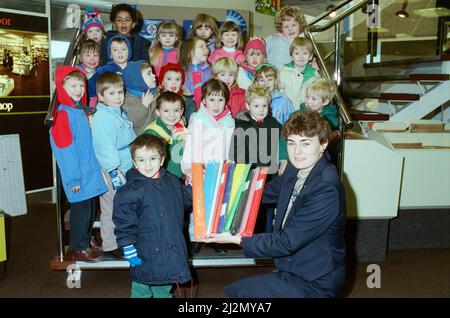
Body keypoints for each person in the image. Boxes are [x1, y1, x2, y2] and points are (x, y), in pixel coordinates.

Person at [201, 110, 346, 298]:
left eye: (306, 143)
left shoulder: (325, 189)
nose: (297, 152)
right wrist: (225, 185)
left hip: (316, 280)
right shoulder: (296, 167)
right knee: (239, 292)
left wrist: (237, 238)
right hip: (294, 266)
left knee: (240, 294)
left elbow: (286, 242)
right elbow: (264, 192)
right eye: (292, 143)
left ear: (323, 144)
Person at [112, 134, 193, 298]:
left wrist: (193, 186)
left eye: (152, 158)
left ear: (162, 160)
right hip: (144, 250)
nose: (147, 164)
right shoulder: (129, 191)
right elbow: (123, 222)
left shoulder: (172, 181)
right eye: (141, 160)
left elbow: (183, 200)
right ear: (134, 162)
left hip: (169, 247)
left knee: (163, 287)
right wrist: (127, 246)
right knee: (141, 288)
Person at [49, 66, 108, 262]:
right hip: (78, 175)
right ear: (61, 87)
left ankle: (86, 239)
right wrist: (73, 177)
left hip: (89, 171)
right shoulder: (63, 115)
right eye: (72, 86)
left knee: (90, 210)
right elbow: (65, 151)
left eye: (81, 85)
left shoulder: (79, 111)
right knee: (81, 212)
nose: (78, 90)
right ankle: (79, 247)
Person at [91, 72, 136, 258]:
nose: (118, 97)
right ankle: (110, 244)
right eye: (112, 93)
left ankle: (124, 240)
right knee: (111, 206)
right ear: (101, 97)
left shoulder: (116, 112)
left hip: (124, 164)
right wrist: (113, 170)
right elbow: (103, 146)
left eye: (120, 92)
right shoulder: (103, 117)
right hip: (113, 168)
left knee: (122, 206)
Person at [143, 91, 188, 179]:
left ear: (182, 111)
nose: (172, 114)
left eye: (176, 110)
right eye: (166, 110)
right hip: (162, 180)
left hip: (180, 176)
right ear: (158, 112)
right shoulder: (152, 133)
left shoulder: (181, 128)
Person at [88, 34, 132, 106]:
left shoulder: (135, 68)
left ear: (129, 51)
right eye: (115, 50)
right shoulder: (105, 70)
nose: (120, 52)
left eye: (123, 49)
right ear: (110, 54)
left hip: (131, 104)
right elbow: (90, 86)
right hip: (110, 106)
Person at [279, 37, 319, 110]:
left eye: (305, 53)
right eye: (297, 53)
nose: (301, 56)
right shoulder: (284, 72)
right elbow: (278, 92)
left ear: (310, 56)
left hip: (308, 113)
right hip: (289, 112)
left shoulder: (314, 74)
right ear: (291, 56)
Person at [121, 60, 158, 135]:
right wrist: (144, 106)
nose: (154, 75)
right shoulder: (127, 101)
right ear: (137, 79)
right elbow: (131, 122)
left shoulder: (156, 92)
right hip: (141, 141)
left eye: (152, 72)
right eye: (149, 73)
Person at [179, 37, 212, 115]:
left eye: (206, 47)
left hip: (207, 109)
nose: (207, 49)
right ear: (189, 51)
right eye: (201, 47)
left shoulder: (211, 70)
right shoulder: (181, 71)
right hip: (187, 109)